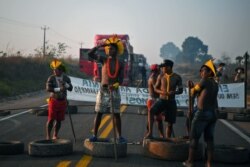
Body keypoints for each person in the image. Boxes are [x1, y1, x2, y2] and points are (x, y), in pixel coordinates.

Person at [88, 35, 126, 142]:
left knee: (116, 114)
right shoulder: (103, 59)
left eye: (112, 48)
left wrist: (114, 86)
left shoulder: (121, 63)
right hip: (103, 90)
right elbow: (90, 54)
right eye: (108, 48)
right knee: (99, 113)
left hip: (114, 90)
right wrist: (99, 46)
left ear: (116, 51)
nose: (109, 50)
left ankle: (119, 137)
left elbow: (121, 80)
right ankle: (95, 135)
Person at [183, 60, 219, 167]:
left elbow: (193, 91)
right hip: (213, 114)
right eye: (201, 71)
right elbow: (201, 94)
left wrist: (191, 86)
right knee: (209, 139)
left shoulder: (204, 81)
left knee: (194, 137)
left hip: (202, 113)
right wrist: (194, 88)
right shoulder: (215, 84)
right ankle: (208, 163)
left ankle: (190, 161)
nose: (201, 73)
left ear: (209, 72)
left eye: (203, 71)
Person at [145, 59, 183, 138]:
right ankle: (150, 133)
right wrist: (163, 92)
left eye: (163, 67)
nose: (162, 69)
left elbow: (181, 90)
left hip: (171, 101)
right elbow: (155, 88)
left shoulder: (177, 77)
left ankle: (167, 140)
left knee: (169, 124)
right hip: (162, 100)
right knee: (151, 111)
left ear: (169, 67)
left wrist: (174, 92)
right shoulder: (161, 76)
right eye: (161, 67)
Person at [46, 59, 73, 140]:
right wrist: (59, 89)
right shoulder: (51, 78)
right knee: (51, 119)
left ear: (61, 70)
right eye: (53, 70)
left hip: (63, 101)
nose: (54, 71)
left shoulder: (66, 78)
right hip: (54, 101)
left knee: (59, 120)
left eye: (56, 69)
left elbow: (71, 88)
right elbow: (48, 88)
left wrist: (66, 84)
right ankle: (48, 136)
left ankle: (55, 135)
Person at [146, 64, 164, 138]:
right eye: (158, 70)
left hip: (156, 99)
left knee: (158, 119)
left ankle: (161, 135)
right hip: (153, 100)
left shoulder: (157, 76)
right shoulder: (153, 78)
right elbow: (156, 89)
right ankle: (149, 134)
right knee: (153, 119)